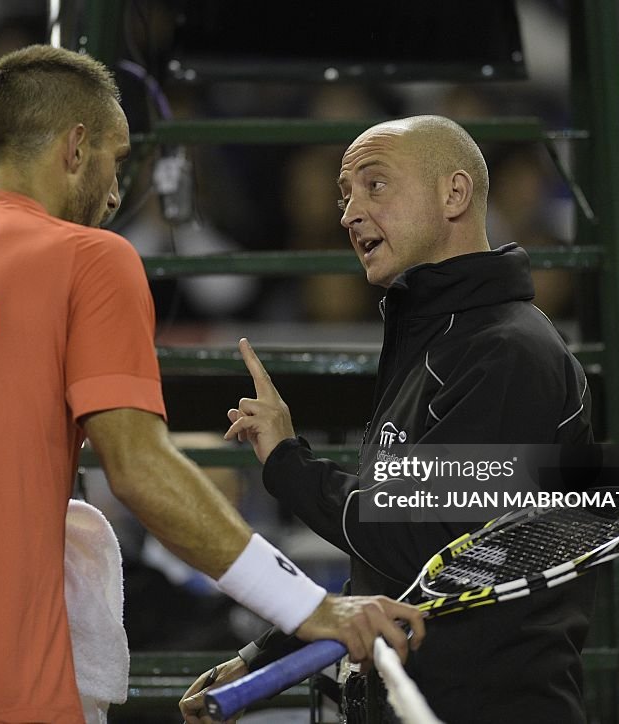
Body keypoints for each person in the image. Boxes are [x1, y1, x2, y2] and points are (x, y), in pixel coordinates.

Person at [0, 45, 425, 723]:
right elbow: (138, 469)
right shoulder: (89, 258)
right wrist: (310, 606)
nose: (115, 189)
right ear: (76, 147)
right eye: (117, 157)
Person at [181, 116, 595, 723]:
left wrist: (287, 462)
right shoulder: (439, 341)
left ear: (454, 195)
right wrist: (266, 654)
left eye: (374, 185)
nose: (349, 213)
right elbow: (397, 574)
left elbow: (416, 539)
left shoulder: (507, 351)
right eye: (345, 194)